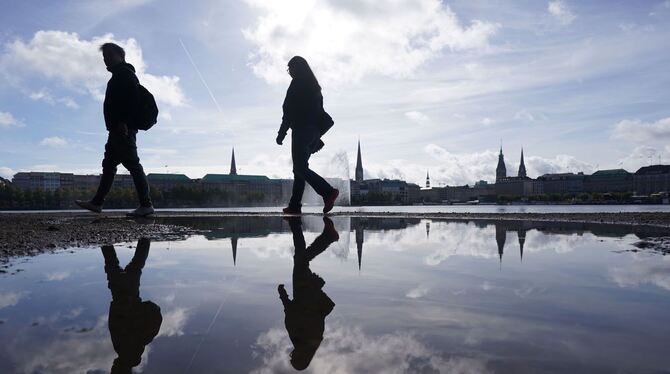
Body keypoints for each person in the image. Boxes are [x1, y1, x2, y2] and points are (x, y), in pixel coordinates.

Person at [76, 42, 154, 217]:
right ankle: (97, 202)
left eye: (110, 56)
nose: (106, 60)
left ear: (121, 56)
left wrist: (124, 122)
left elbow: (132, 100)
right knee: (109, 166)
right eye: (104, 57)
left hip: (122, 129)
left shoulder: (124, 74)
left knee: (133, 165)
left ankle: (146, 204)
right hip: (116, 129)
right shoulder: (119, 75)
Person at [276, 56, 339, 215]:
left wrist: (281, 133)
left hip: (301, 130)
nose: (289, 72)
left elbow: (288, 111)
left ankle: (328, 192)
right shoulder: (315, 86)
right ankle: (295, 205)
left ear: (297, 68)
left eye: (291, 68)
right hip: (314, 132)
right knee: (300, 169)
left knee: (299, 167)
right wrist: (316, 137)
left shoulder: (297, 83)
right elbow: (320, 113)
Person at [278, 216, 339, 370]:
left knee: (300, 255)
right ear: (299, 356)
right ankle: (328, 237)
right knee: (301, 260)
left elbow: (295, 313)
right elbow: (292, 313)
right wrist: (283, 295)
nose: (291, 354)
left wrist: (284, 295)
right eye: (294, 357)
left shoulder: (312, 341)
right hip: (303, 290)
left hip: (306, 291)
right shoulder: (303, 339)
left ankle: (296, 224)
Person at [101, 238, 162, 373]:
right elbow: (114, 321)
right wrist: (124, 305)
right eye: (113, 370)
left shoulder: (139, 345)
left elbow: (152, 314)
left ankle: (145, 233)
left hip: (131, 291)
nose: (112, 367)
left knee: (136, 264)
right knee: (111, 262)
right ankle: (101, 233)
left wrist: (137, 306)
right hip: (121, 293)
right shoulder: (123, 348)